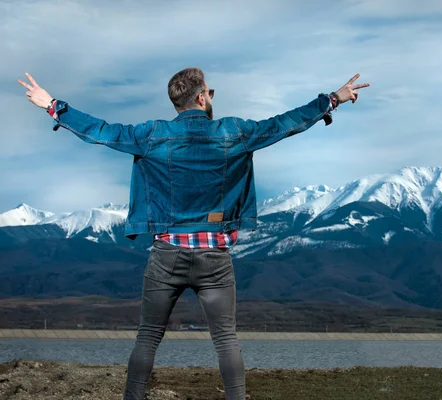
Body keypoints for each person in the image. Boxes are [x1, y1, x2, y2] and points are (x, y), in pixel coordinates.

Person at [18, 68, 370, 399]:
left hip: (166, 255)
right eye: (210, 92)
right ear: (202, 98)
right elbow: (285, 124)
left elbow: (101, 130)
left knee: (148, 337)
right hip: (215, 258)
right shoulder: (234, 131)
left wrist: (53, 106)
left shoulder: (152, 134)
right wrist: (332, 99)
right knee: (226, 340)